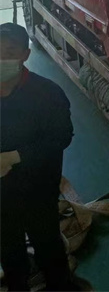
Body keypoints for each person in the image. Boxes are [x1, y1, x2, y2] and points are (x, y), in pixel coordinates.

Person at [0, 22, 75, 291]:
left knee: (48, 248)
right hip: (2, 197)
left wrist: (14, 157)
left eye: (10, 52)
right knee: (9, 251)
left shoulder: (48, 94)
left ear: (25, 55)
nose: (1, 59)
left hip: (38, 190)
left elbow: (61, 137)